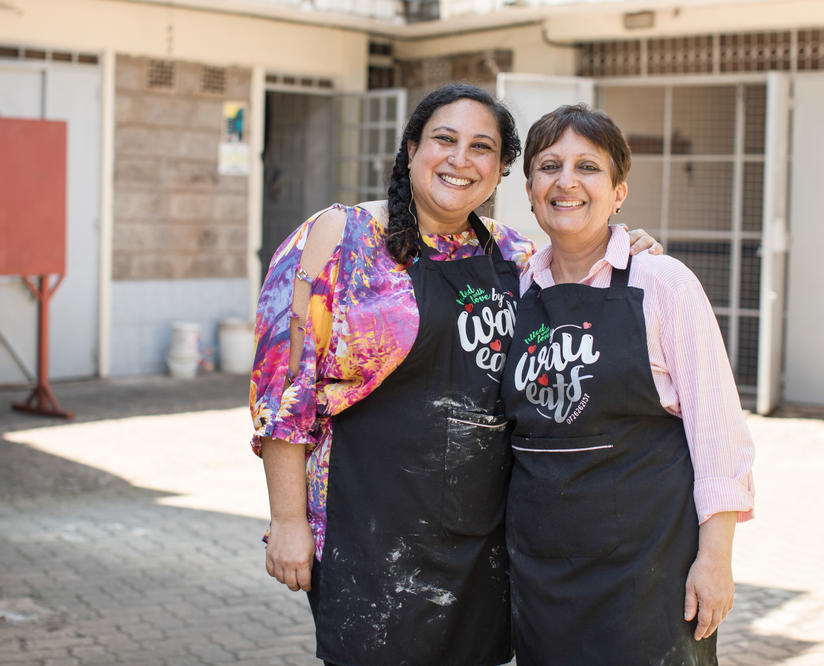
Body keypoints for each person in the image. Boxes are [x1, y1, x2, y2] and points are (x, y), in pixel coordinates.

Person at [250, 84, 660, 665]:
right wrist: (287, 520)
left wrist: (630, 247)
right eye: (445, 139)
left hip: (482, 540)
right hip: (367, 533)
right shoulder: (339, 238)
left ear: (500, 170)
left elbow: (585, 277)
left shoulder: (516, 256)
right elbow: (283, 392)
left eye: (482, 147)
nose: (460, 159)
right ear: (412, 148)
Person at [500, 104, 755, 665]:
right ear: (529, 188)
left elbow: (718, 435)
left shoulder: (662, 283)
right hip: (541, 577)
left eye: (587, 167)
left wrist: (716, 559)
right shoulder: (514, 289)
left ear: (618, 192)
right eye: (549, 166)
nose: (566, 181)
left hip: (648, 574)